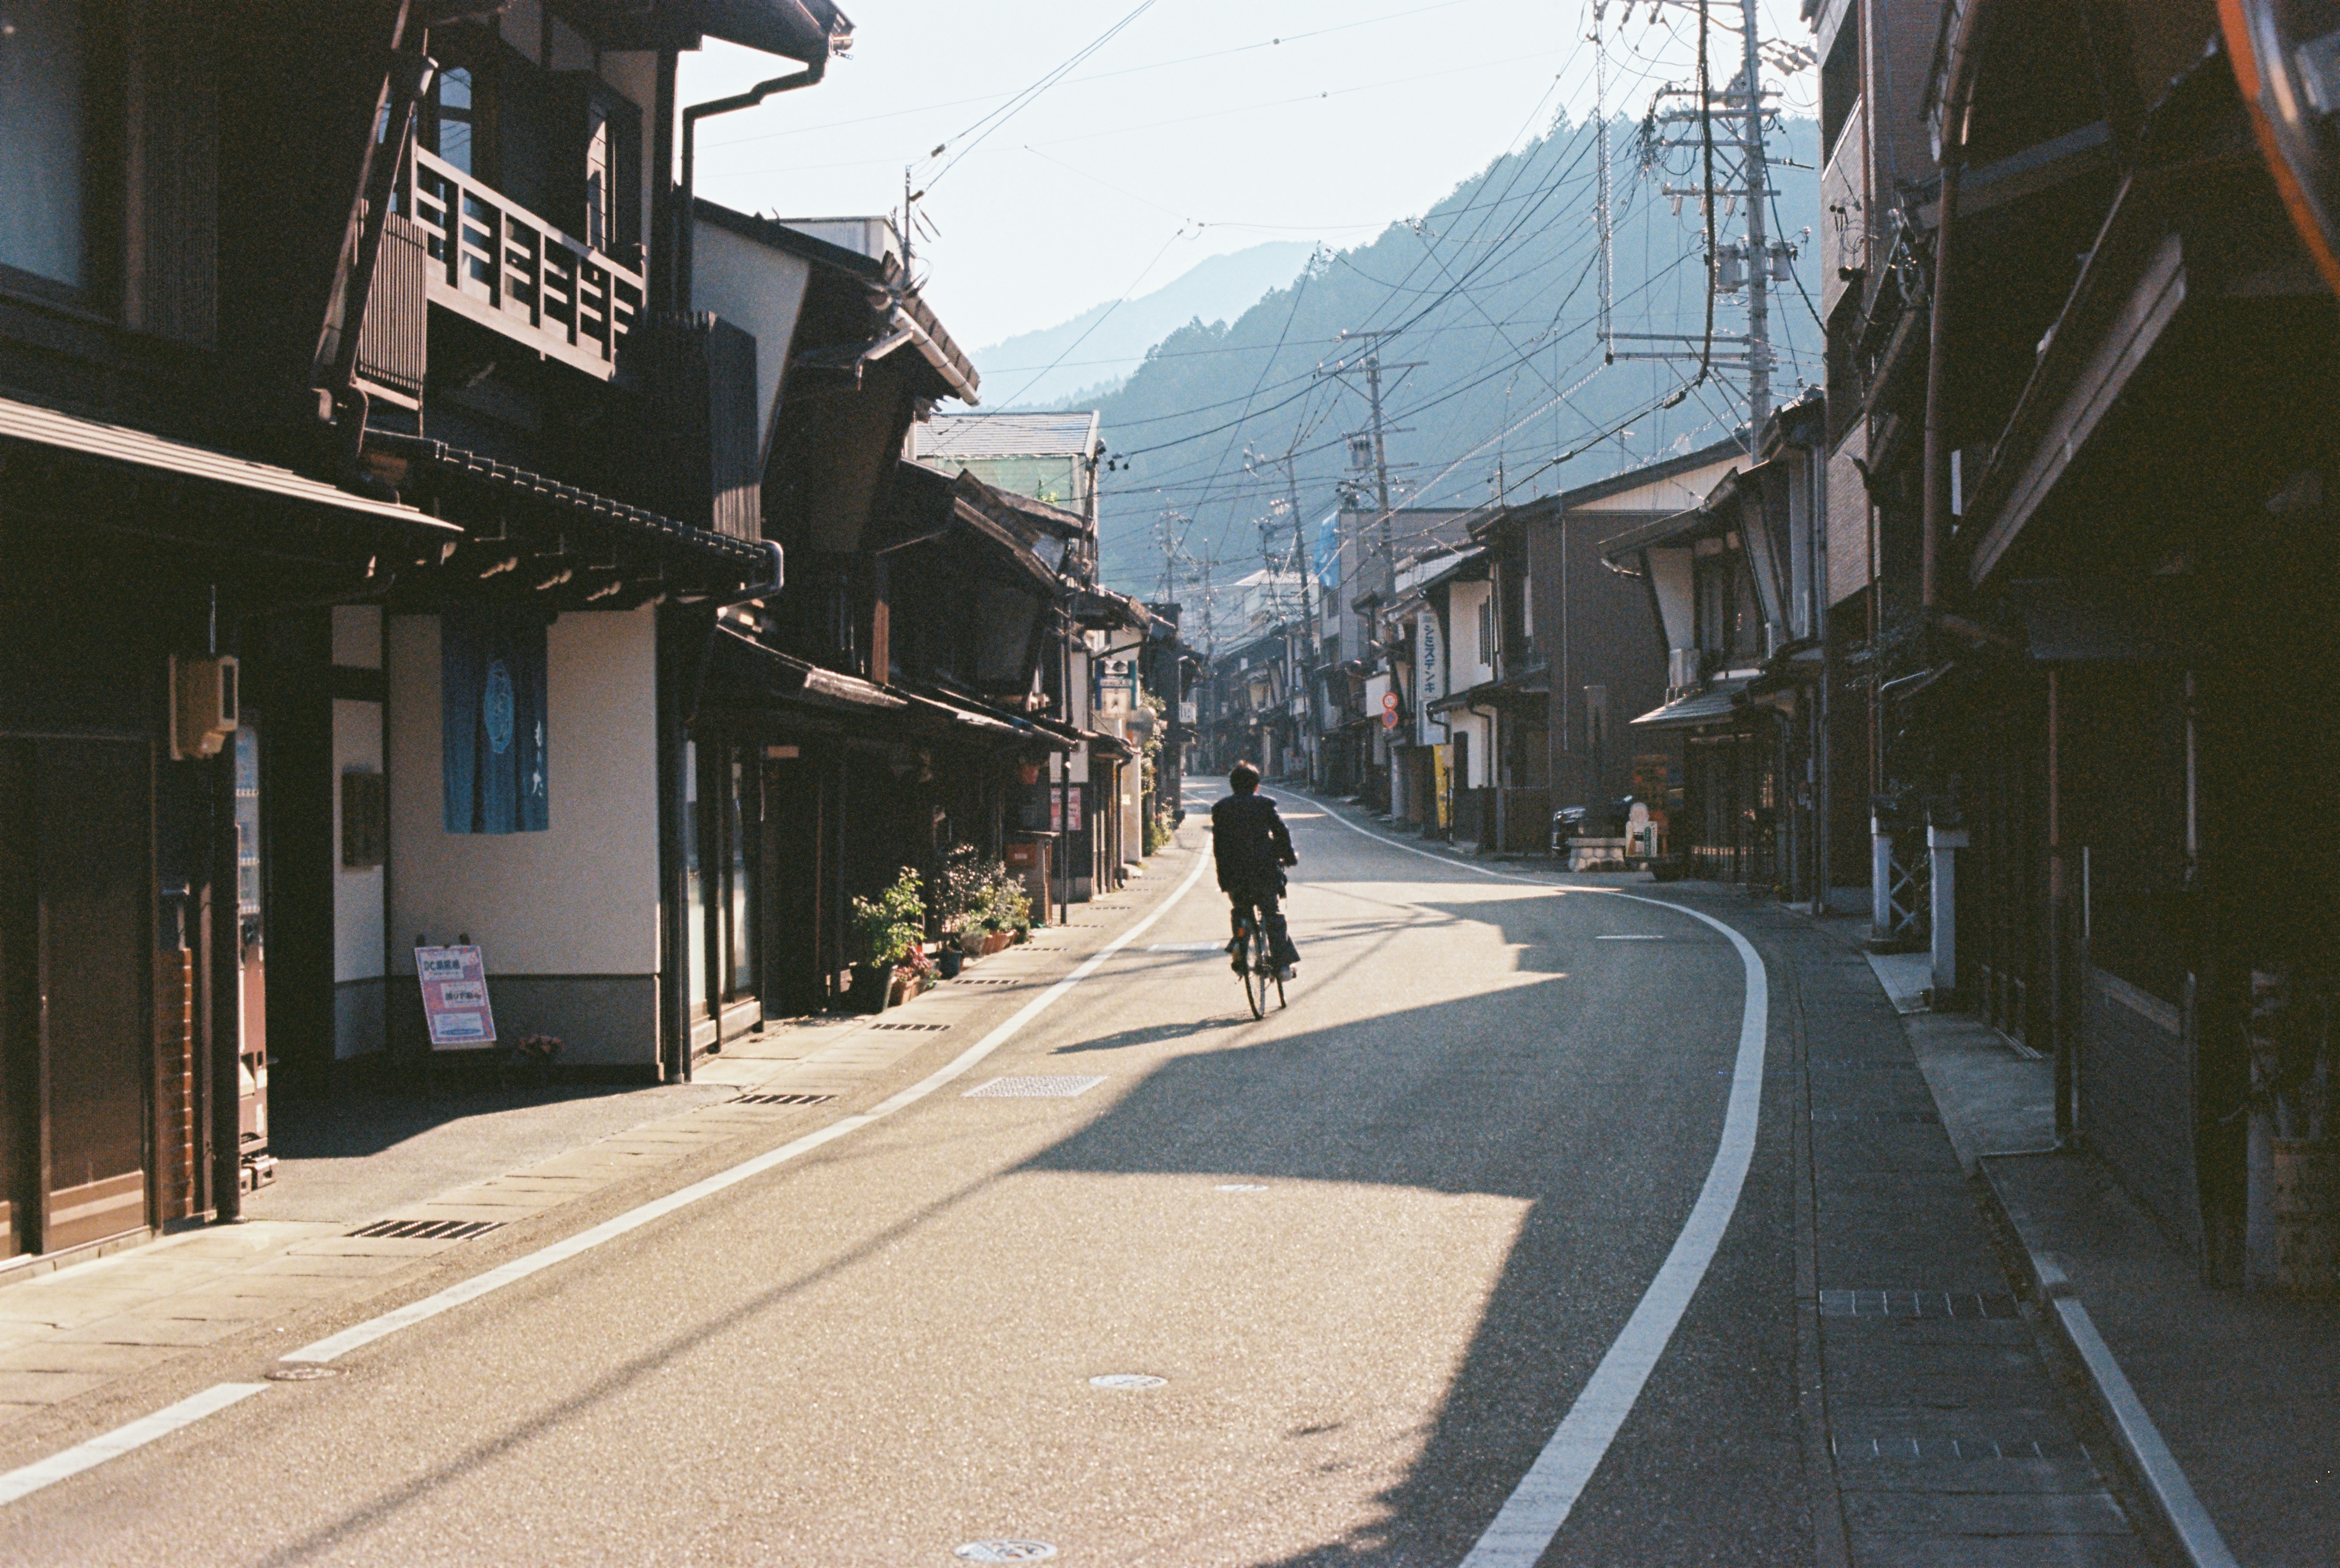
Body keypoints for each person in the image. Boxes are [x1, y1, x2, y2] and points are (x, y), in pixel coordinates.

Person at [1211, 761, 1300, 978]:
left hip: (1233, 874)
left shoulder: (1221, 809)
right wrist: (1289, 857)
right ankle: (1282, 966)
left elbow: (1219, 847)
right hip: (1264, 872)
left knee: (1241, 911)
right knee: (1273, 915)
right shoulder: (1265, 805)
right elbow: (1282, 833)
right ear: (1257, 786)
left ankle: (1239, 943)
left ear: (1232, 786)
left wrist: (1223, 878)